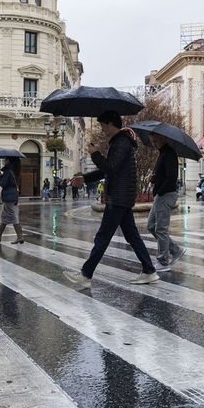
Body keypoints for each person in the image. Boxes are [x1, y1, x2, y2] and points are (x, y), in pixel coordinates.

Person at [64, 111, 158, 288]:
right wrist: (85, 178)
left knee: (103, 236)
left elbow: (111, 168)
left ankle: (86, 275)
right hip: (122, 196)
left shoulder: (121, 142)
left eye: (102, 125)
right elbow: (108, 169)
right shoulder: (120, 141)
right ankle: (149, 270)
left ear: (110, 124)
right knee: (132, 236)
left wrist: (95, 154)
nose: (102, 129)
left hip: (118, 196)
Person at [145, 134, 186, 271]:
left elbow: (171, 177)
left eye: (155, 140)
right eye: (152, 140)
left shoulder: (169, 154)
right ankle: (175, 249)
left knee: (161, 229)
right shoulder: (162, 153)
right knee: (151, 226)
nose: (153, 142)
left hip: (165, 194)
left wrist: (160, 191)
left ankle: (163, 261)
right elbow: (161, 175)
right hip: (161, 195)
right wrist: (152, 178)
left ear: (163, 139)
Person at [0, 158, 25, 243]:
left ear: (9, 161)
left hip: (9, 196)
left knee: (13, 216)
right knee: (5, 217)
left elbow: (4, 183)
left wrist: (0, 179)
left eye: (5, 160)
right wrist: (1, 177)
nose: (3, 161)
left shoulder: (8, 171)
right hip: (12, 195)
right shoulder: (13, 171)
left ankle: (20, 236)